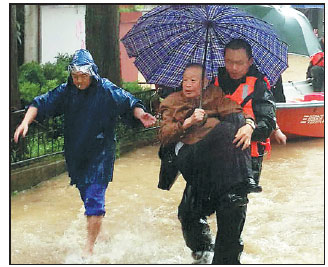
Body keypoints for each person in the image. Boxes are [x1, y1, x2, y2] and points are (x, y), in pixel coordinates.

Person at [13, 49, 156, 256]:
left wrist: (141, 114)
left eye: (83, 76)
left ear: (92, 74)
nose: (79, 81)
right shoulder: (66, 91)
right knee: (86, 195)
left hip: (101, 152)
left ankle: (88, 250)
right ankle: (100, 231)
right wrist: (25, 122)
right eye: (75, 77)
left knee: (94, 198)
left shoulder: (106, 89)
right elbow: (40, 103)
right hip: (76, 153)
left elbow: (129, 102)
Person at [158, 63, 261, 264]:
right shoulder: (172, 101)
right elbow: (163, 135)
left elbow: (235, 111)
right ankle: (243, 182)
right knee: (224, 131)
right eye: (185, 80)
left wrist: (248, 124)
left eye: (193, 80)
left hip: (213, 162)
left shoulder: (214, 95)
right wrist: (187, 122)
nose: (187, 85)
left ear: (204, 82)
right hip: (189, 154)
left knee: (233, 126)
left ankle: (204, 252)